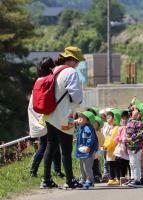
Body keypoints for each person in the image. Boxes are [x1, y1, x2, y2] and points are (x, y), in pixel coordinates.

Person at [41, 46, 84, 189]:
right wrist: (79, 102)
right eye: (77, 62)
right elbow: (76, 96)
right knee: (66, 149)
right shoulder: (70, 72)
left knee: (51, 145)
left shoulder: (55, 70)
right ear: (72, 60)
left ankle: (46, 180)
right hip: (65, 115)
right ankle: (70, 181)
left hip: (50, 114)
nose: (77, 65)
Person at [28, 57, 64, 178]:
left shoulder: (38, 80)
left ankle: (38, 171)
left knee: (48, 144)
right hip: (47, 115)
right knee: (49, 145)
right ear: (50, 67)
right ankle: (41, 171)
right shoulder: (50, 80)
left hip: (38, 115)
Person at [125, 103, 143, 187]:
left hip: (136, 147)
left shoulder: (140, 124)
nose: (132, 111)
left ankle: (137, 179)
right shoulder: (130, 121)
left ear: (139, 114)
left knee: (135, 163)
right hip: (129, 146)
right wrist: (132, 104)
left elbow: (140, 135)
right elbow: (129, 110)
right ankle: (132, 178)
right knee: (131, 163)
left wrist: (131, 139)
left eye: (135, 110)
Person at [75, 111, 99, 189]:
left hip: (88, 150)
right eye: (79, 117)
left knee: (87, 166)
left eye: (82, 117)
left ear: (87, 120)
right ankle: (83, 178)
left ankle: (90, 180)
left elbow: (91, 138)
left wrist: (88, 146)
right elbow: (81, 137)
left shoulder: (88, 127)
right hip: (82, 150)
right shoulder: (80, 127)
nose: (79, 119)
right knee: (81, 166)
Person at [102, 109, 121, 185]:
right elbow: (105, 137)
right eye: (107, 117)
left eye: (109, 117)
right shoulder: (106, 126)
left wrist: (107, 145)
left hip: (114, 148)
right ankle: (112, 178)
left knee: (116, 163)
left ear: (114, 118)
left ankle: (117, 178)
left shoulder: (116, 127)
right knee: (110, 163)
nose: (107, 118)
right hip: (108, 148)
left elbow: (113, 139)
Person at [114, 110, 130, 185]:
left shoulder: (130, 127)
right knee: (120, 163)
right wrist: (121, 139)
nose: (124, 120)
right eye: (123, 118)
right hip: (120, 148)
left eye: (125, 118)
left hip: (128, 148)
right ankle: (122, 178)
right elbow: (116, 138)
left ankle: (130, 177)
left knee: (128, 163)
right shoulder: (120, 128)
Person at [93, 115, 105, 183]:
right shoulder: (91, 132)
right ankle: (94, 175)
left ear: (98, 125)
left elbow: (103, 141)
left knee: (96, 163)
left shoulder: (99, 133)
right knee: (93, 163)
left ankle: (96, 175)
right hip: (92, 151)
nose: (93, 125)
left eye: (95, 123)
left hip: (96, 151)